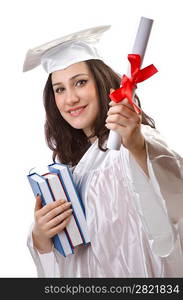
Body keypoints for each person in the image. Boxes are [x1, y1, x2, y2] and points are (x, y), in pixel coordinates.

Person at [23, 25, 183, 277]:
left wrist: (137, 145)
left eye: (80, 82)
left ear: (101, 84)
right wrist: (41, 237)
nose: (71, 98)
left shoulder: (132, 145)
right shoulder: (74, 169)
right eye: (60, 89)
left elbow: (171, 203)